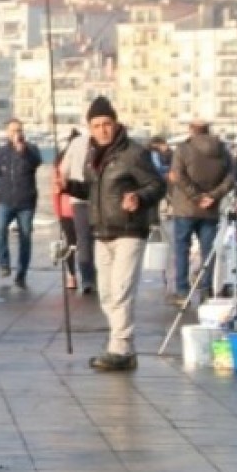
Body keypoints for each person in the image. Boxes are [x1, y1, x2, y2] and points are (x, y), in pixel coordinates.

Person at [60, 96, 165, 372]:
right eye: (96, 126)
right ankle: (123, 347)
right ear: (89, 128)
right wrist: (69, 186)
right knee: (106, 293)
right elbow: (93, 192)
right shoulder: (93, 155)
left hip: (130, 230)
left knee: (120, 290)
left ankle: (120, 347)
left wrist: (139, 197)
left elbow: (157, 185)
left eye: (107, 124)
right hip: (102, 232)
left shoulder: (134, 153)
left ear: (116, 124)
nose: (102, 130)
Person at [168, 119, 233, 303]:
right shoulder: (222, 150)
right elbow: (230, 178)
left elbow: (178, 176)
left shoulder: (183, 149)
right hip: (210, 210)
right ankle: (206, 289)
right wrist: (213, 196)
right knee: (208, 251)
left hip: (185, 209)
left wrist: (196, 196)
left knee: (182, 249)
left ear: (191, 130)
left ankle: (182, 292)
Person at [0, 119, 43, 288]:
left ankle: (21, 272)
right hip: (5, 200)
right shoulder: (1, 152)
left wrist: (23, 152)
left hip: (26, 201)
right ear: (7, 133)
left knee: (25, 236)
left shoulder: (31, 149)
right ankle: (4, 264)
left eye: (19, 130)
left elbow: (36, 162)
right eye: (13, 131)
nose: (16, 134)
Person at [61, 123, 96, 294]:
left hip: (80, 199)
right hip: (90, 198)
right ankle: (92, 277)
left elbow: (63, 170)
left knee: (83, 239)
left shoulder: (76, 143)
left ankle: (88, 278)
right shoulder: (80, 144)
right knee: (95, 238)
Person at [54, 129, 81, 290]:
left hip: (67, 209)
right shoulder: (62, 160)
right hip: (71, 208)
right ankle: (74, 275)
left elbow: (54, 189)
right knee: (78, 243)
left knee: (71, 243)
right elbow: (55, 187)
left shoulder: (61, 159)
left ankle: (72, 276)